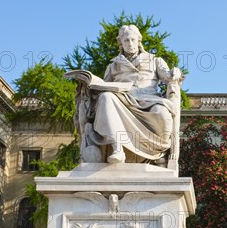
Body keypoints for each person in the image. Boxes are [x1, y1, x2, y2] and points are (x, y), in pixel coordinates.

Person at [78, 25, 183, 165]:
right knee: (105, 97)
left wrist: (175, 72)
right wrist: (91, 88)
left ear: (139, 40)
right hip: (122, 99)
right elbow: (104, 86)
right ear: (121, 43)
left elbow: (168, 76)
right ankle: (117, 149)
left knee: (161, 113)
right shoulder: (113, 65)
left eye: (133, 39)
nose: (130, 43)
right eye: (126, 40)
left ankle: (158, 153)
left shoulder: (155, 60)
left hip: (149, 99)